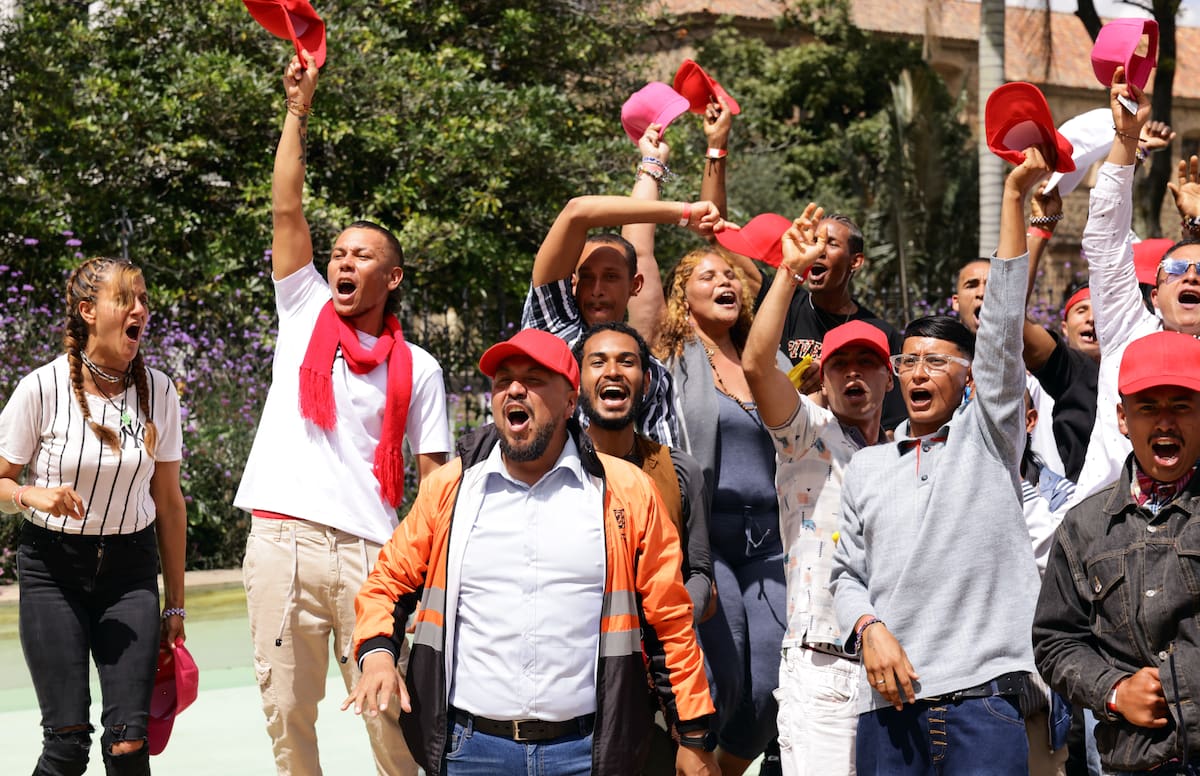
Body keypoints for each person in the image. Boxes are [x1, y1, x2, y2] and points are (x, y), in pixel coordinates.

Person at [345, 327, 720, 776]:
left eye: (534, 379)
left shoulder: (626, 491)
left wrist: (693, 735)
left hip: (588, 754)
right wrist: (378, 654)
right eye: (503, 380)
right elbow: (387, 583)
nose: (515, 389)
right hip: (469, 753)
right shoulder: (450, 489)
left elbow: (669, 621)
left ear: (570, 402)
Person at [234, 52, 451, 776]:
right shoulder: (302, 311)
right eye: (337, 253)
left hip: (373, 556)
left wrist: (430, 575)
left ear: (392, 277)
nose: (343, 262)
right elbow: (286, 207)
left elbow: (434, 482)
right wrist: (297, 108)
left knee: (394, 724)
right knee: (288, 719)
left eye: (361, 256)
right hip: (282, 540)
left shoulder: (419, 366)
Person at [830, 146, 1051, 774]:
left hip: (984, 707)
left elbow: (1001, 331)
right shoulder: (869, 467)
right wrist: (868, 628)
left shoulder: (989, 439)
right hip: (887, 712)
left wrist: (1014, 198)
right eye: (908, 362)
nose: (917, 373)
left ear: (971, 379)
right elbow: (845, 575)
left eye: (936, 362)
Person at [0, 256, 187, 775]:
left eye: (144, 299)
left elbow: (170, 502)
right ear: (88, 311)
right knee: (67, 744)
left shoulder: (160, 391)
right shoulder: (41, 387)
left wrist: (175, 604)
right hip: (53, 571)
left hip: (131, 573)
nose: (140, 309)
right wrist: (29, 495)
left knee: (129, 744)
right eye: (125, 299)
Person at [743, 204, 895, 776]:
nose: (854, 373)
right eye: (841, 364)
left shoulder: (903, 456)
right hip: (824, 666)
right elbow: (757, 365)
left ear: (889, 376)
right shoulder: (807, 434)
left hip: (899, 668)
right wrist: (788, 272)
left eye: (867, 363)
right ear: (822, 381)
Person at [1033, 330, 1200, 774]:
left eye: (1181, 406)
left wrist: (1180, 685)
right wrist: (1114, 691)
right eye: (1148, 408)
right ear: (1123, 419)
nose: (1165, 422)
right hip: (1135, 762)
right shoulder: (1083, 526)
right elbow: (1055, 640)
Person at [653, 244, 790, 775]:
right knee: (722, 674)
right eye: (707, 276)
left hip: (771, 540)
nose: (724, 282)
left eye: (730, 274)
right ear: (682, 296)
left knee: (772, 684)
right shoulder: (669, 365)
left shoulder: (766, 359)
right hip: (708, 539)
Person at [572, 320, 715, 774]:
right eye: (598, 362)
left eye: (627, 362)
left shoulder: (679, 471)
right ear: (576, 381)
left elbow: (701, 574)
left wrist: (669, 617)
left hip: (657, 688)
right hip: (572, 689)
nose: (613, 371)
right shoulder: (554, 471)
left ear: (647, 381)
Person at [520, 139, 723, 446]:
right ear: (572, 282)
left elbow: (661, 461)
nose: (597, 290)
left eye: (611, 277)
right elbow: (577, 212)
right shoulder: (553, 326)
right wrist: (683, 212)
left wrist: (653, 163)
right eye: (587, 277)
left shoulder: (651, 374)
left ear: (635, 285)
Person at [1070, 67, 1197, 507]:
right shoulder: (1127, 329)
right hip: (1106, 530)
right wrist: (1126, 138)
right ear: (1154, 295)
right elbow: (1106, 241)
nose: (1191, 276)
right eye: (1176, 268)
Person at [771, 214, 906, 431]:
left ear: (855, 261)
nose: (819, 250)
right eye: (815, 242)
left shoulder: (879, 332)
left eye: (831, 244)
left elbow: (891, 425)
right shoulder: (784, 307)